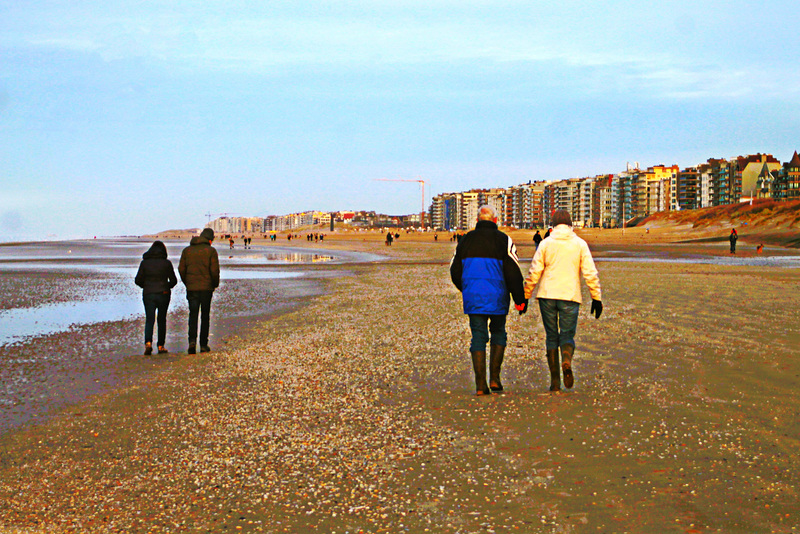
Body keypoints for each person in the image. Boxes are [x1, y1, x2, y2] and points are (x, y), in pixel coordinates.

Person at [450, 205, 527, 395]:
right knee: (498, 332)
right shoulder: (504, 240)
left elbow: (455, 271)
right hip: (498, 296)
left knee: (478, 336)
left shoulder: (465, 240)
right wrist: (520, 299)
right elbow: (513, 272)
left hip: (473, 297)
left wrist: (466, 288)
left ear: (477, 221)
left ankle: (480, 385)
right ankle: (494, 379)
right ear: (495, 221)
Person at [523, 210, 602, 392]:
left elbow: (534, 272)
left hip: (547, 295)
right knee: (567, 335)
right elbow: (590, 272)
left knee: (552, 337)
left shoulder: (545, 243)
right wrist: (596, 297)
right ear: (570, 224)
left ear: (553, 224)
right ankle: (566, 360)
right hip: (570, 296)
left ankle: (555, 382)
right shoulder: (580, 244)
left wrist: (526, 295)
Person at [179, 228, 220, 354]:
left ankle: (192, 342)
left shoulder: (187, 250)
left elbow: (181, 269)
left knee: (193, 315)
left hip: (192, 288)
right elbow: (214, 271)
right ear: (209, 239)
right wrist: (214, 284)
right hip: (206, 289)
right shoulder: (211, 251)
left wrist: (188, 283)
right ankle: (203, 344)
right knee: (205, 316)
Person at [134, 241, 177, 355]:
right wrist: (167, 286)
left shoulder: (145, 263)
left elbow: (137, 280)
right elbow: (174, 280)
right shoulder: (166, 263)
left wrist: (146, 286)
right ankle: (160, 345)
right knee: (161, 319)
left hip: (149, 293)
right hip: (163, 293)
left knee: (150, 319)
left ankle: (148, 343)